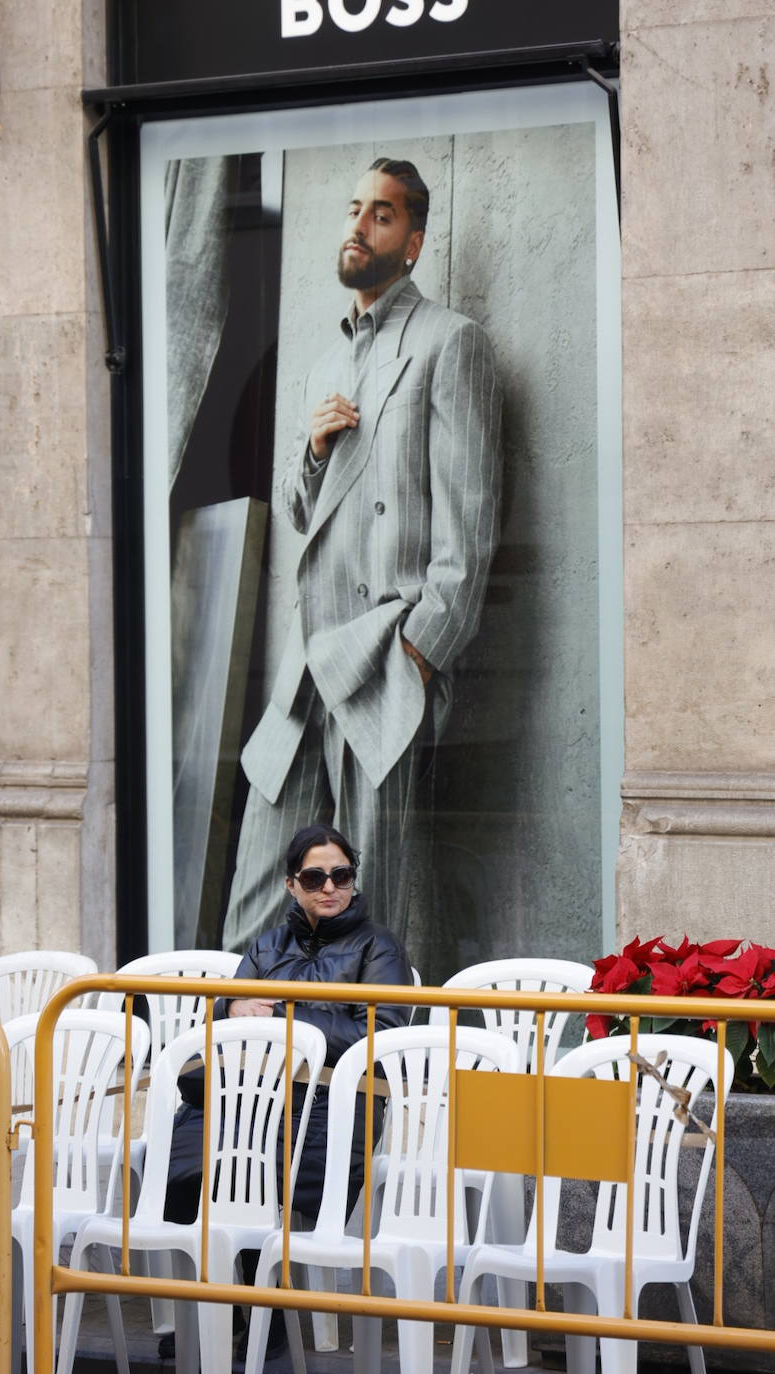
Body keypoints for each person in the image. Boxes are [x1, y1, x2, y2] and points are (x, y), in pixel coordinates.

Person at [222, 156, 503, 973]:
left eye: (380, 214)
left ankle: (381, 1084)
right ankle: (240, 1079)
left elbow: (471, 524)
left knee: (375, 905)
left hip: (384, 660)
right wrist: (311, 451)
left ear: (411, 242)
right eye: (353, 209)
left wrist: (421, 652)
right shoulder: (324, 361)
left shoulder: (451, 343)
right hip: (307, 668)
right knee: (257, 892)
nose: (358, 225)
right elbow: (301, 516)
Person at [161, 822, 412, 1364]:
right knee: (181, 1165)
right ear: (291, 885)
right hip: (252, 1098)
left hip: (333, 1103)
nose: (330, 887)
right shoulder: (268, 944)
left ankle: (260, 1313)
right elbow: (214, 1021)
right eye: (315, 876)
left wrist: (287, 1018)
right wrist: (231, 1010)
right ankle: (226, 1308)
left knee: (250, 1174)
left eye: (341, 875)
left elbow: (384, 1037)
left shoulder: (379, 946)